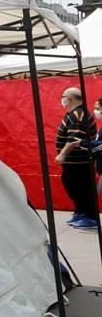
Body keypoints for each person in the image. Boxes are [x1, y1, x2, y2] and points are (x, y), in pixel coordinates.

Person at [54, 88, 98, 230]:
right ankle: (81, 211)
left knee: (83, 188)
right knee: (71, 186)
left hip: (80, 161)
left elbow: (74, 139)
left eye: (64, 96)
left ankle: (90, 217)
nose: (62, 99)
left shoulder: (79, 115)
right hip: (72, 162)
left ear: (71, 99)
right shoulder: (72, 114)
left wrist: (62, 154)